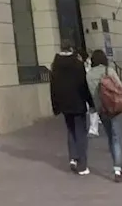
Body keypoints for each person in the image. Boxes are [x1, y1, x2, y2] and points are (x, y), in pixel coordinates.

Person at [49, 39, 94, 175]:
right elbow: (83, 85)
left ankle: (73, 158)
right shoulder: (77, 64)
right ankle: (82, 164)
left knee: (70, 129)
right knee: (80, 132)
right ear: (71, 49)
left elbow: (53, 88)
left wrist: (56, 106)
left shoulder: (55, 65)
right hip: (78, 102)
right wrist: (91, 103)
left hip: (64, 104)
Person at [85, 49, 122, 182]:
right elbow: (120, 88)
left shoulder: (89, 75)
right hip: (115, 108)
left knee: (110, 137)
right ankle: (118, 167)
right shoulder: (109, 71)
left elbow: (91, 94)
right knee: (117, 138)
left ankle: (116, 164)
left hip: (102, 110)